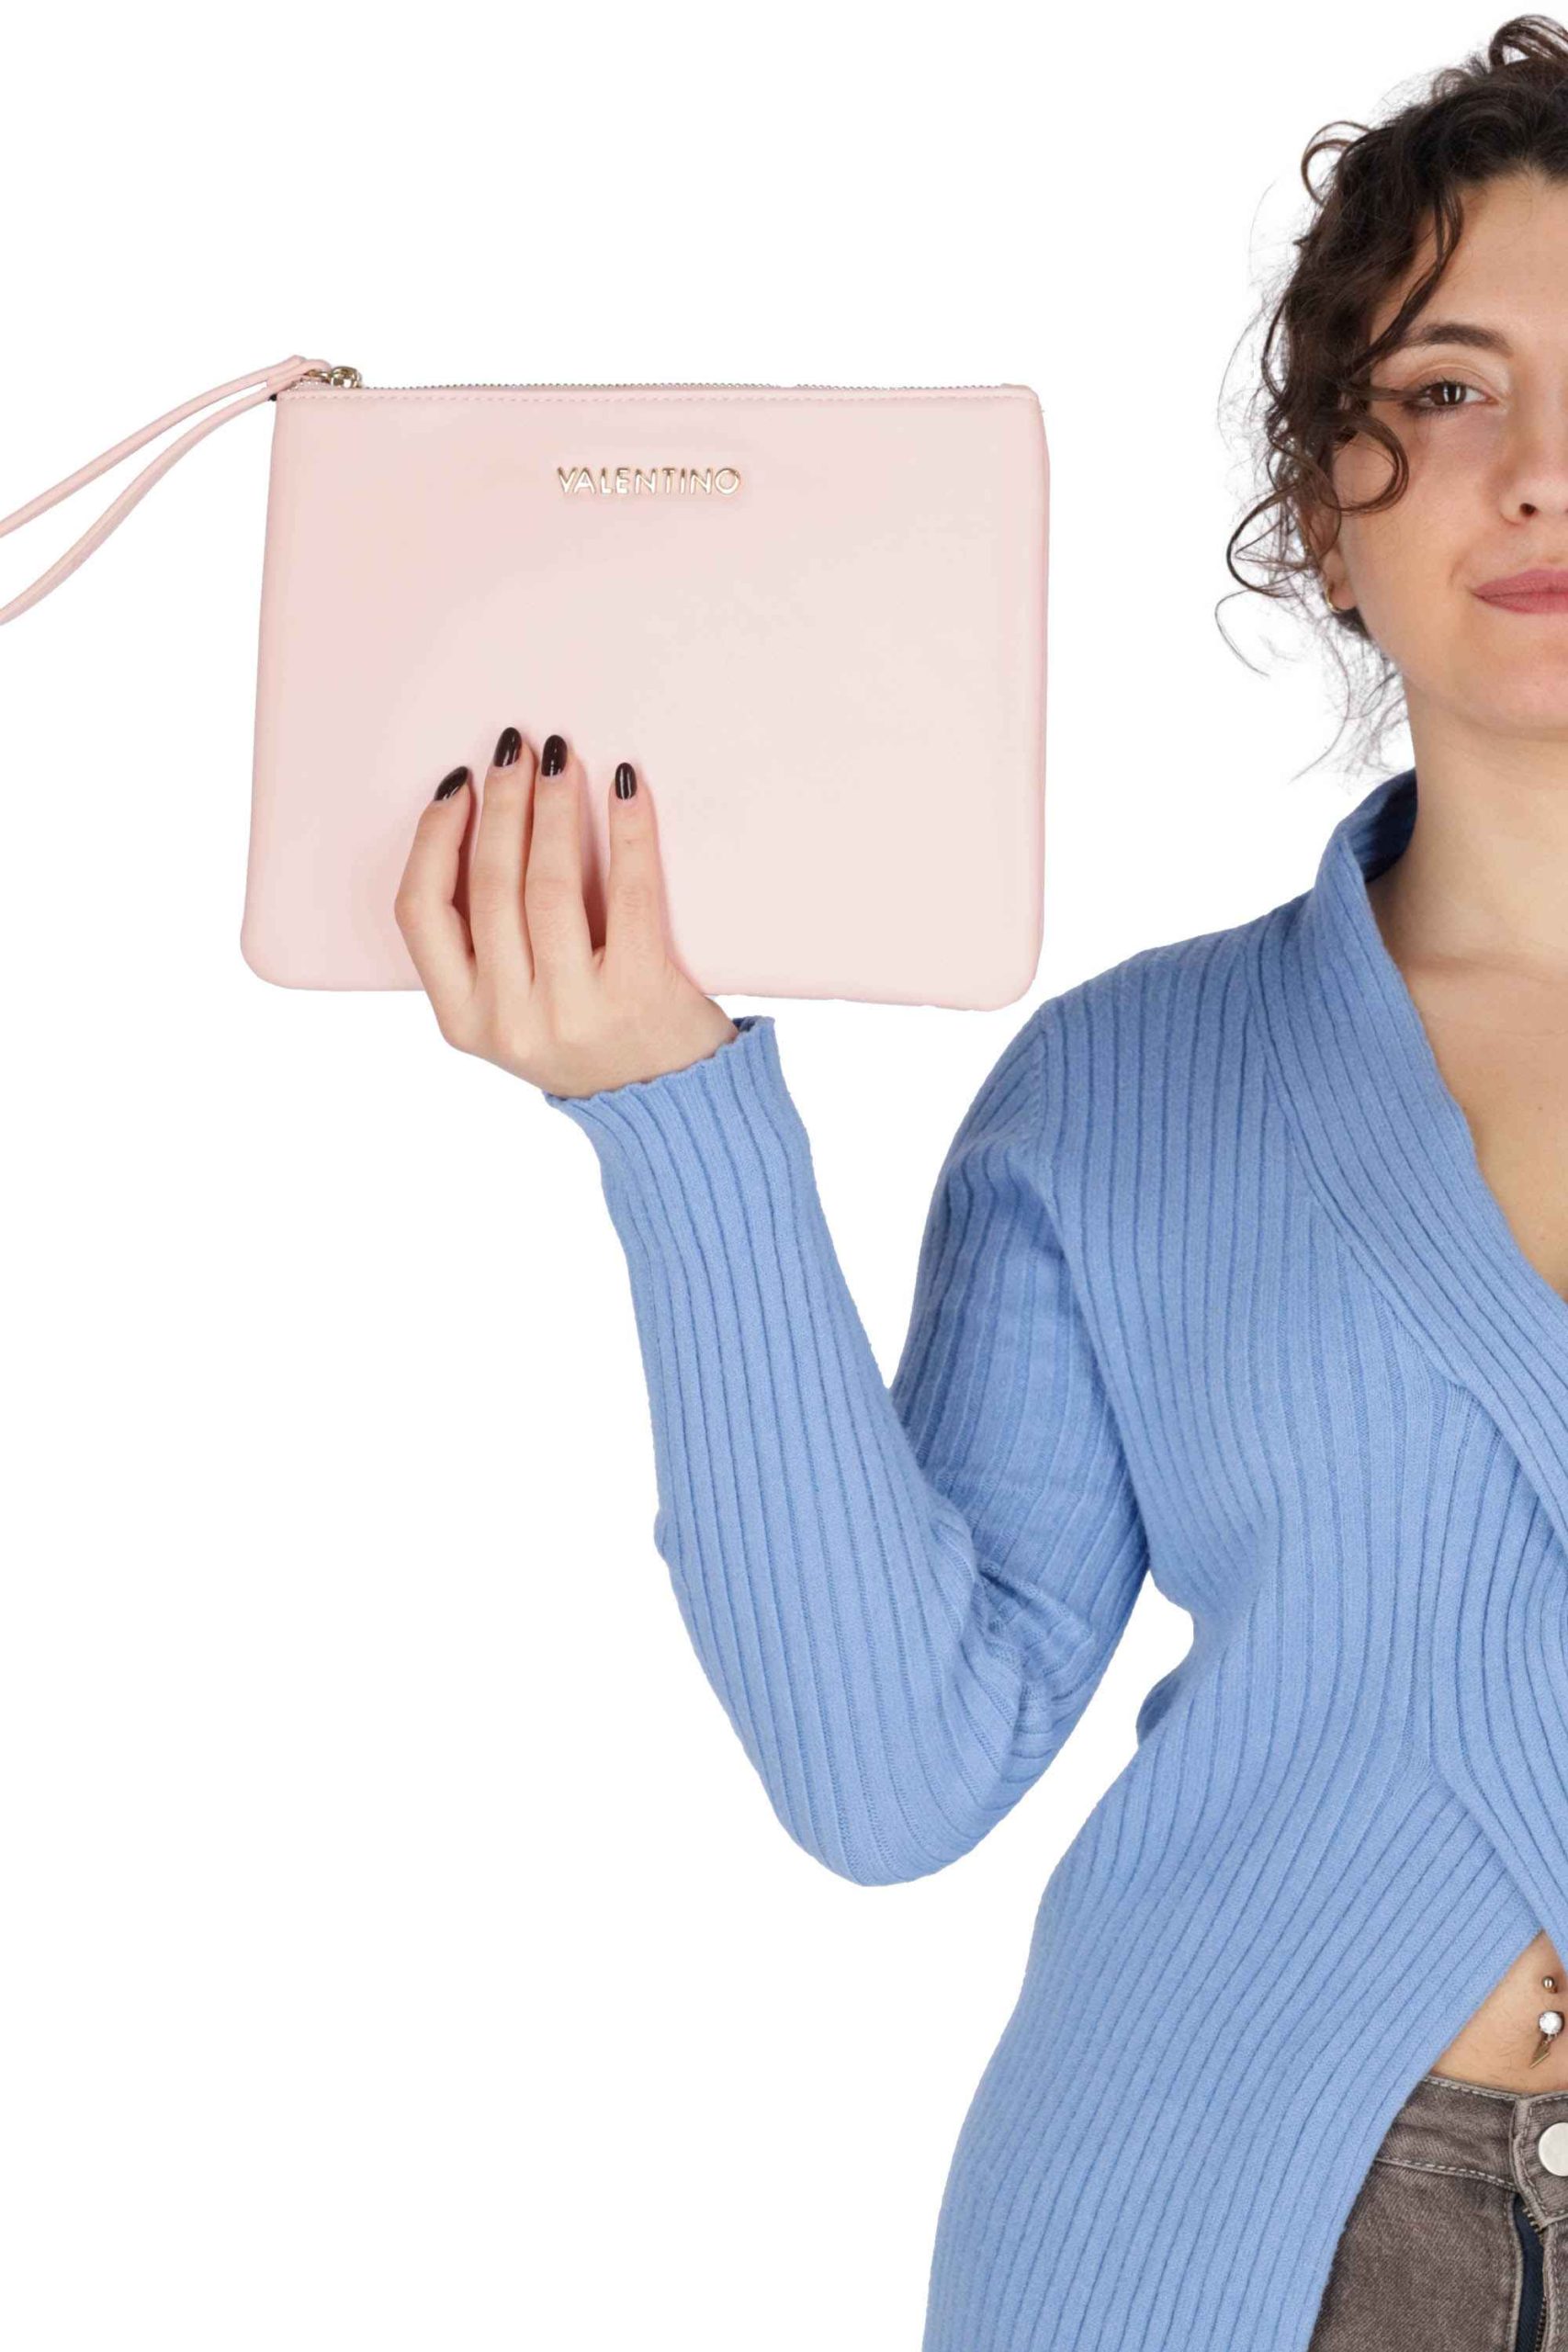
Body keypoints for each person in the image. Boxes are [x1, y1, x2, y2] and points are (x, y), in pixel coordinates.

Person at [391, 20, 1568, 2349]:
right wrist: (675, 1118)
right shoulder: (1122, 1090)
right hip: (1221, 2226)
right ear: (1321, 509)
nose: (1536, 471)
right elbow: (893, 1766)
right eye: (1445, 389)